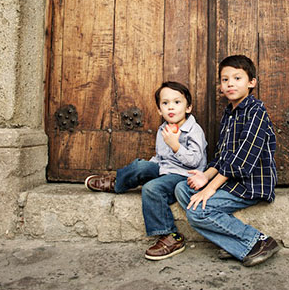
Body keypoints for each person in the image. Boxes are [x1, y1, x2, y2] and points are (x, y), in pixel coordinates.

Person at [174, 54, 280, 266]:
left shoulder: (256, 111)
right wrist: (205, 176)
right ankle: (236, 246)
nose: (230, 83)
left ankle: (259, 241)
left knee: (197, 213)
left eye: (237, 78)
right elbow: (222, 157)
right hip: (229, 180)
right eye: (225, 79)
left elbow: (241, 161)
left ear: (251, 83)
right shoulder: (229, 114)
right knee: (182, 189)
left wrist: (210, 189)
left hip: (250, 184)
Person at [83, 81, 207, 261]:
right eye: (165, 103)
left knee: (151, 188)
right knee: (141, 165)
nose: (170, 107)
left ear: (188, 108)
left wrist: (176, 146)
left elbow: (195, 161)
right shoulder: (164, 128)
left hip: (183, 176)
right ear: (159, 110)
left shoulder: (194, 130)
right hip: (165, 168)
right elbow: (160, 157)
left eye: (177, 102)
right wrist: (148, 167)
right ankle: (118, 183)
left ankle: (170, 236)